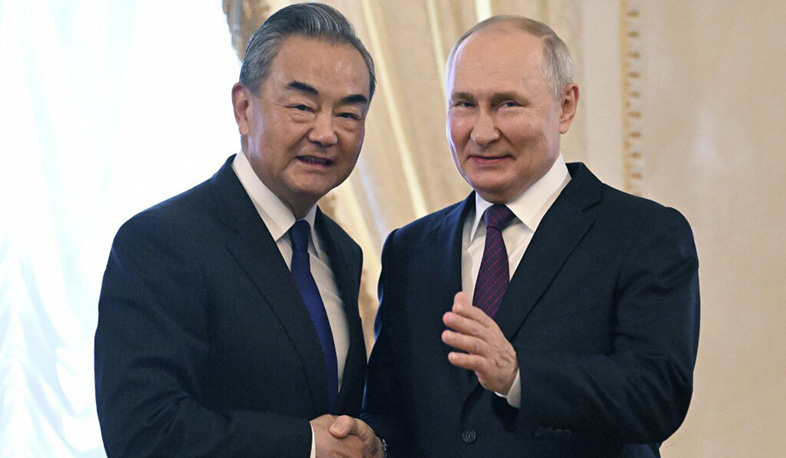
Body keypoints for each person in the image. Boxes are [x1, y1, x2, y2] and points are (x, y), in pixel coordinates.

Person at [356, 15, 700, 458]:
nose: (482, 132)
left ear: (565, 107)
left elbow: (657, 395)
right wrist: (374, 441)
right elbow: (392, 409)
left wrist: (519, 376)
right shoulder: (410, 250)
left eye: (507, 104)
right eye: (464, 104)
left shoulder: (644, 234)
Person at [95, 3, 382, 457]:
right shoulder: (161, 242)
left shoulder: (343, 251)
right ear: (244, 108)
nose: (326, 133)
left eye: (348, 114)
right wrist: (305, 445)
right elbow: (143, 430)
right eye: (302, 106)